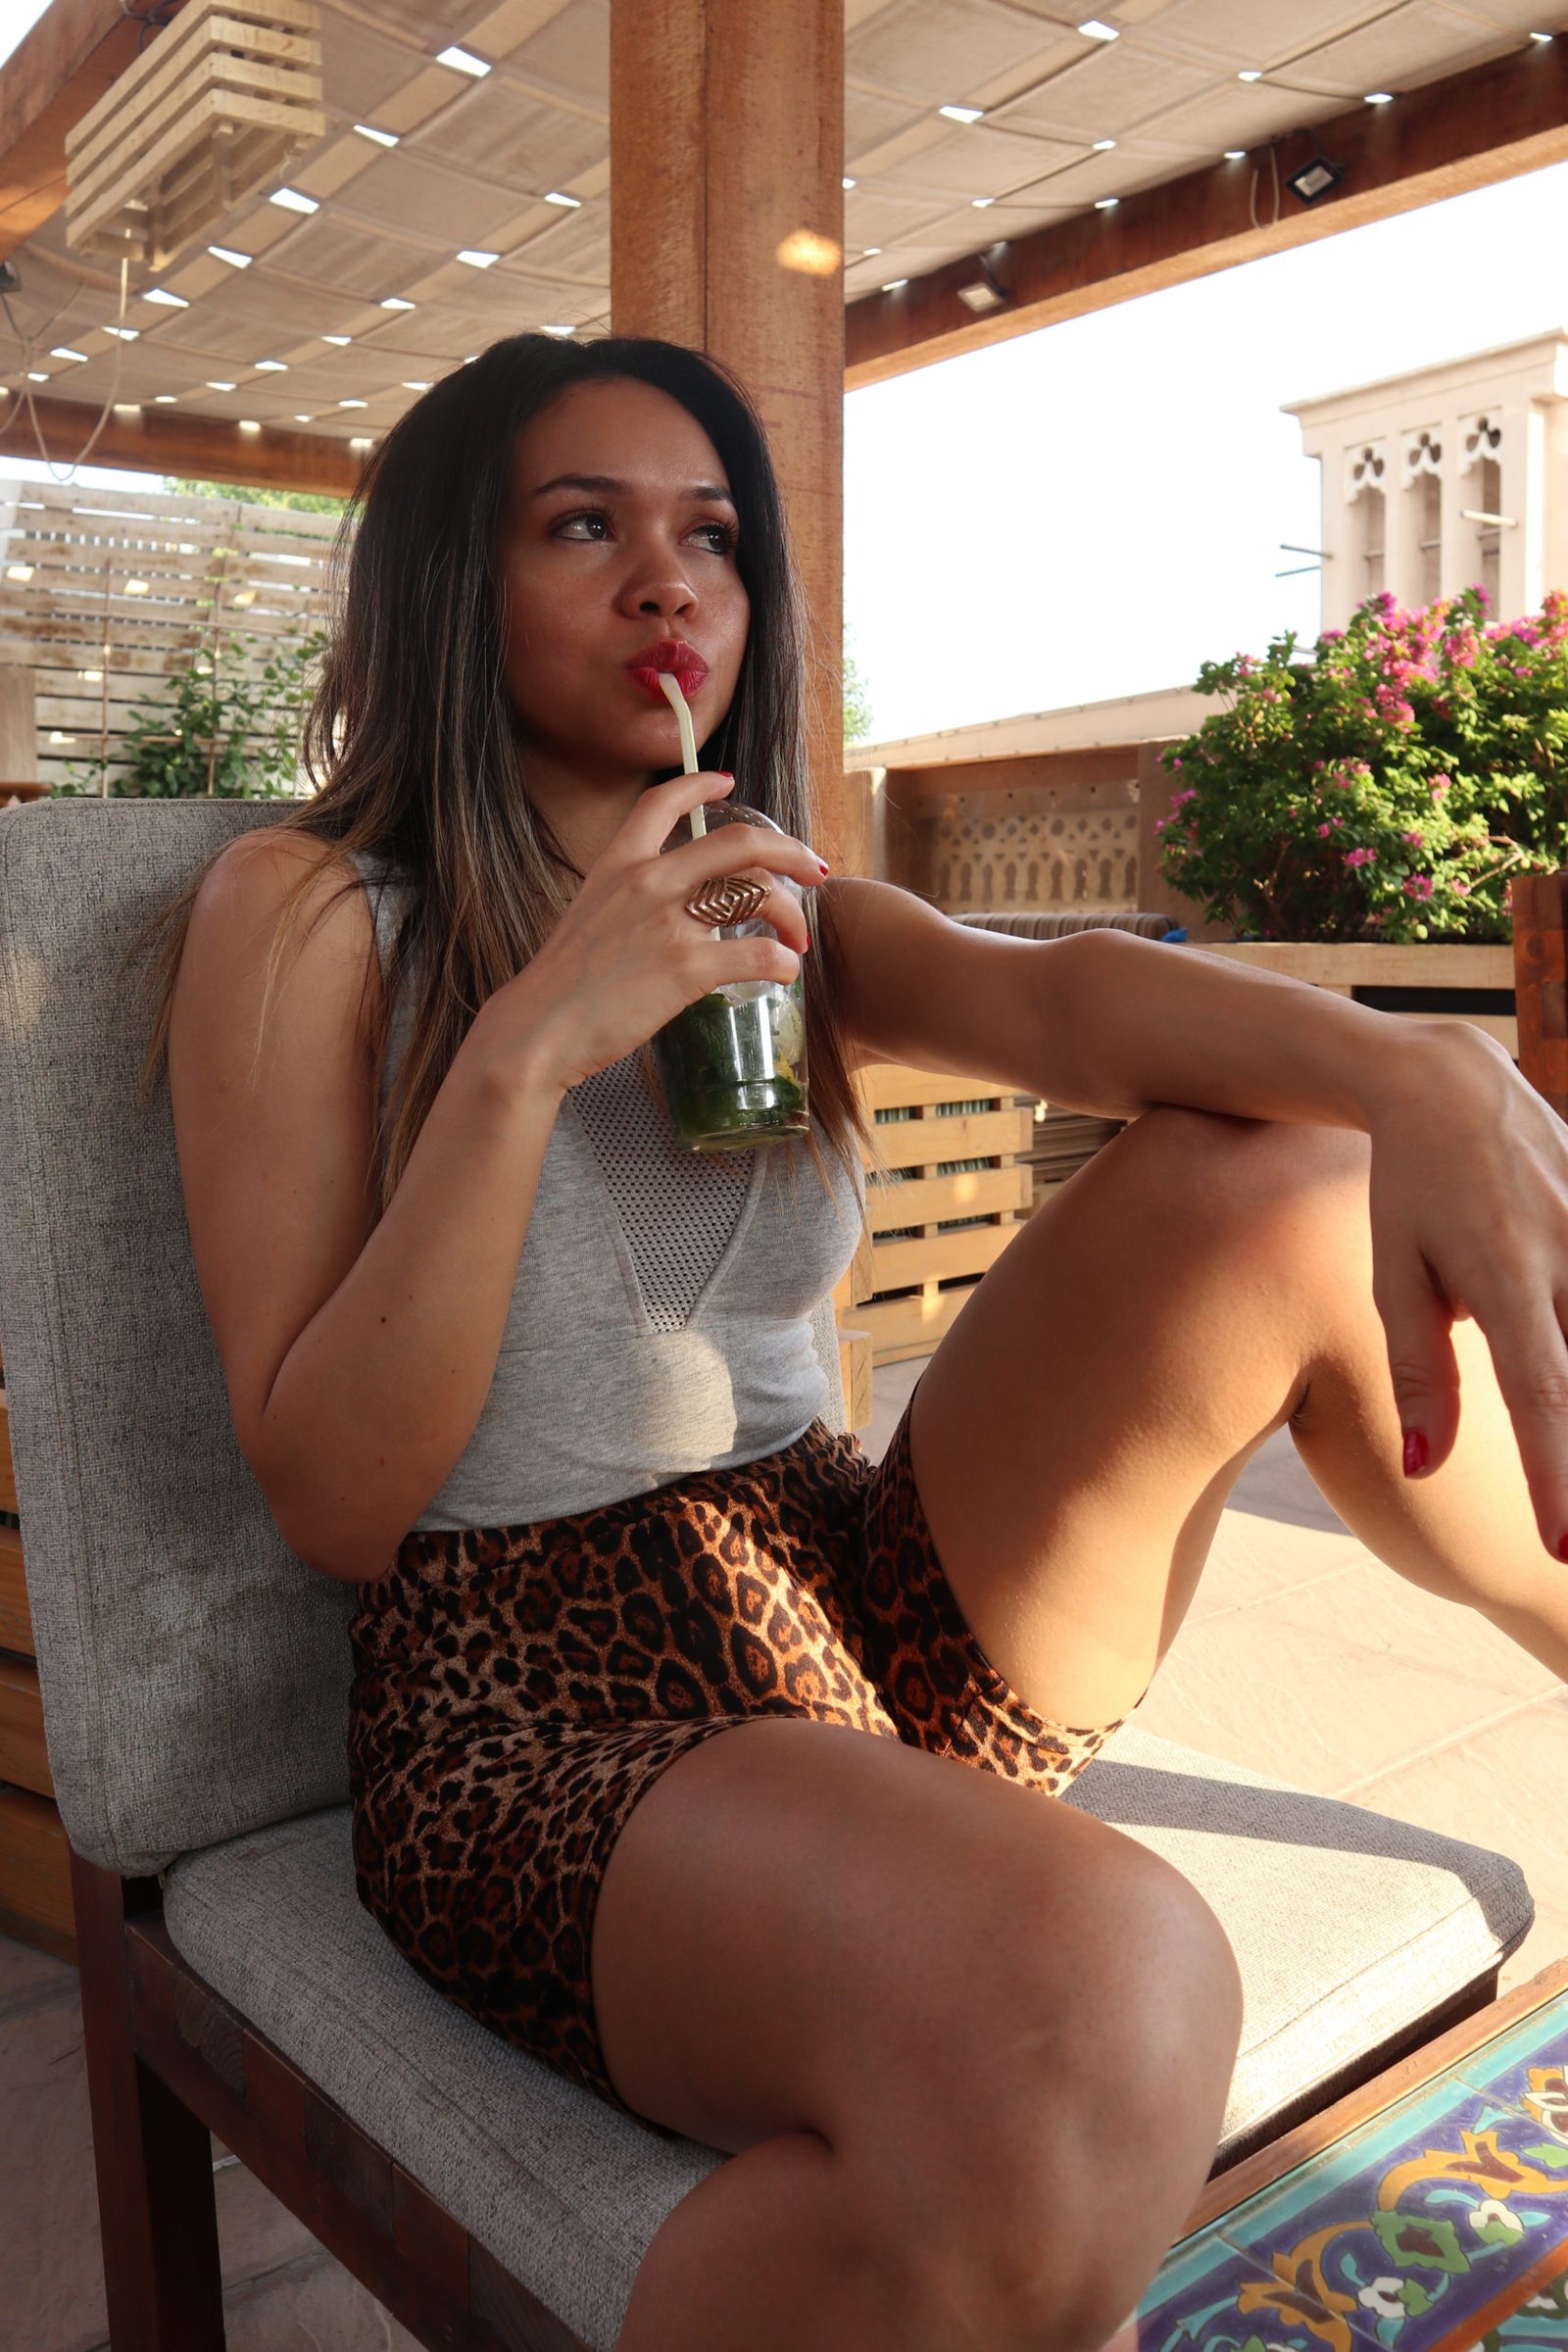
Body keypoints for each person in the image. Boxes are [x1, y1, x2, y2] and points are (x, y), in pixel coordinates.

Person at [148, 332, 1568, 2352]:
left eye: (712, 536)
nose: (670, 580)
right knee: (1103, 2000)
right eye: (584, 527)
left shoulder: (774, 906)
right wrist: (528, 1045)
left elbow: (1066, 1001)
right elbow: (335, 1500)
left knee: (1285, 1185)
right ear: (454, 579)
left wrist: (1411, 1067)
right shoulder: (306, 915)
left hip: (839, 1585)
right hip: (527, 1695)